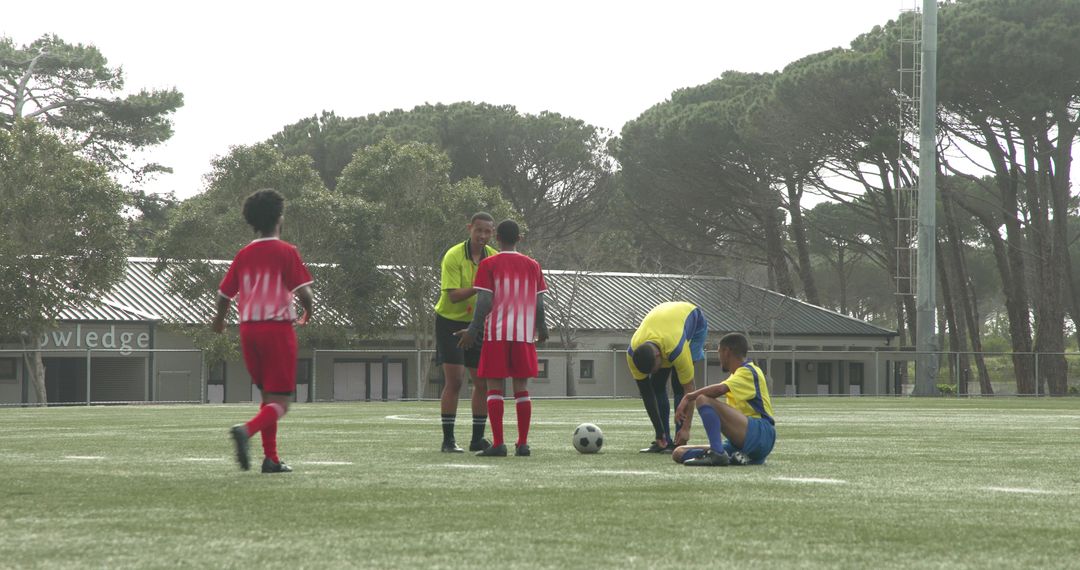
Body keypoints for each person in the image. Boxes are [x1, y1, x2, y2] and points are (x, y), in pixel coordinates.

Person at [213, 189, 315, 474]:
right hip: (277, 330)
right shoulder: (286, 252)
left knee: (268, 398)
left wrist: (219, 322)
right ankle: (246, 431)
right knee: (282, 403)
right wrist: (308, 310)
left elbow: (224, 295)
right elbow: (304, 292)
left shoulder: (244, 254)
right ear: (279, 218)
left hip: (248, 331)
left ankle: (271, 459)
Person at [456, 219, 548, 457]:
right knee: (521, 388)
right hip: (524, 334)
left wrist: (473, 330)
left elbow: (484, 302)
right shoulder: (533, 265)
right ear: (519, 238)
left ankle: (498, 444)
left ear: (497, 238)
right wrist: (542, 327)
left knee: (494, 387)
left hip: (496, 334)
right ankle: (523, 443)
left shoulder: (489, 264)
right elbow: (539, 303)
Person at [434, 212, 499, 453]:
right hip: (450, 322)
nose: (482, 236)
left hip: (478, 323)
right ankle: (448, 440)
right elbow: (452, 294)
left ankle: (477, 439)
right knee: (455, 381)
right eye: (478, 230)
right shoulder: (453, 255)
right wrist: (480, 286)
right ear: (469, 228)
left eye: (487, 232)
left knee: (481, 381)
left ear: (493, 233)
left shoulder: (494, 257)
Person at [672, 332, 776, 466]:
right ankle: (737, 457)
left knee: (702, 399)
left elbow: (720, 389)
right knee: (678, 452)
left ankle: (717, 454)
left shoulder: (749, 370)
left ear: (726, 352)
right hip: (742, 441)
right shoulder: (736, 376)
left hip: (761, 433)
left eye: (719, 352)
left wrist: (688, 396)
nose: (719, 357)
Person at [626, 302, 707, 453]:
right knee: (656, 385)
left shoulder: (676, 349)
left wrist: (686, 428)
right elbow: (647, 393)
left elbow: (689, 392)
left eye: (654, 368)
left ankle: (678, 441)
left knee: (678, 384)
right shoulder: (632, 354)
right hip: (664, 329)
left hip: (695, 322)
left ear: (658, 355)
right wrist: (659, 432)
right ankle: (664, 439)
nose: (654, 371)